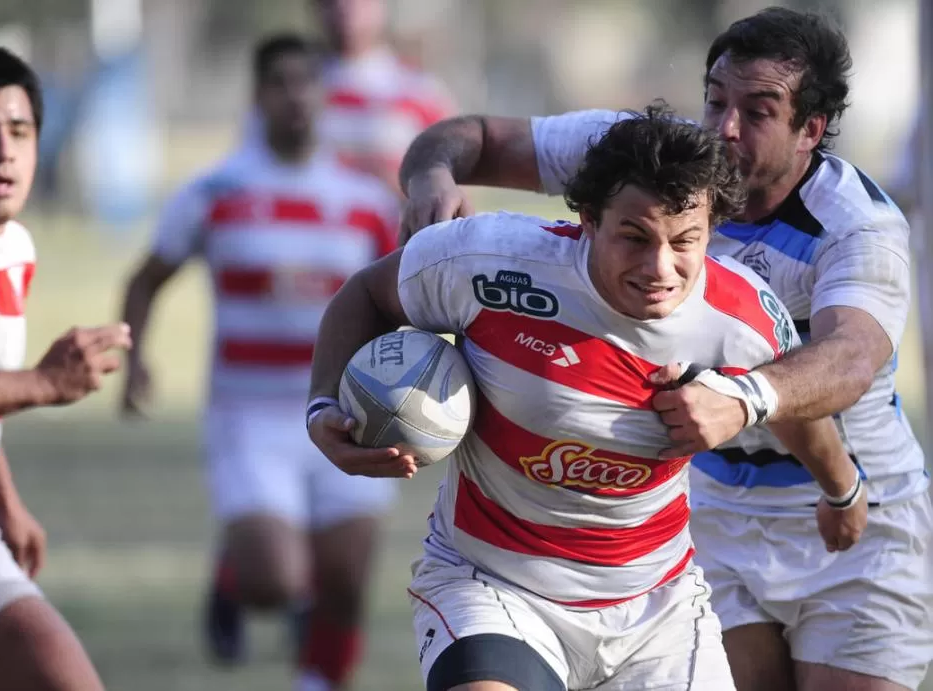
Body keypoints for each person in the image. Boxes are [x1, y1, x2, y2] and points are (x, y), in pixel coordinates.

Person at [396, 8, 933, 691]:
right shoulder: (652, 162)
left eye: (759, 110)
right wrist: (429, 178)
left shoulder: (859, 226)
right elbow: (467, 137)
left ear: (812, 130)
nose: (725, 128)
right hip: (715, 513)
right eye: (715, 101)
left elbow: (850, 358)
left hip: (858, 517)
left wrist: (745, 400)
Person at [307, 103, 866, 691]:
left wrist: (841, 486)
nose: (660, 267)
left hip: (656, 611)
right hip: (494, 585)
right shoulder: (489, 263)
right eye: (634, 236)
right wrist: (324, 407)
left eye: (685, 241)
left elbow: (785, 406)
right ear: (589, 218)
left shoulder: (742, 317)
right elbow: (368, 293)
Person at [120, 34, 400, 689]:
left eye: (307, 82)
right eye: (280, 82)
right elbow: (145, 278)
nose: (296, 95)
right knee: (276, 580)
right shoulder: (216, 191)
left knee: (345, 583)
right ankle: (237, 571)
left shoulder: (366, 200)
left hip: (347, 409)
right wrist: (134, 362)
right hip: (249, 417)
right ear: (257, 95)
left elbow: (403, 295)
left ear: (323, 95)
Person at [0, 45, 132, 691]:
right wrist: (45, 383)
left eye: (19, 130)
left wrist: (2, 497)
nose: (2, 149)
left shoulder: (14, 247)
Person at [310, 0, 457, 194]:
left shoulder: (420, 91)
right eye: (331, 2)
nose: (344, 8)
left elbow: (454, 183)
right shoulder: (294, 88)